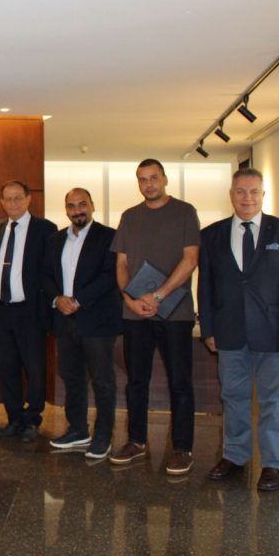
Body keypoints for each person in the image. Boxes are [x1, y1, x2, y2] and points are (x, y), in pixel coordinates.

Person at [199, 168, 279, 492]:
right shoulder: (212, 235)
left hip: (275, 335)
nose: (247, 198)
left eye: (253, 192)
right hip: (229, 333)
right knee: (233, 397)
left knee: (273, 400)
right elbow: (205, 287)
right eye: (240, 191)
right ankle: (235, 456)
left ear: (263, 195)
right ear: (231, 195)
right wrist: (208, 329)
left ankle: (272, 464)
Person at [109, 159, 201, 476]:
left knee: (180, 382)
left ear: (164, 179)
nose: (148, 184)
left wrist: (158, 295)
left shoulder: (185, 212)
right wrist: (130, 300)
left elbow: (191, 260)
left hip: (175, 313)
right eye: (142, 179)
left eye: (153, 178)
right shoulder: (129, 217)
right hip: (135, 314)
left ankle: (182, 449)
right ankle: (136, 441)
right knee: (136, 382)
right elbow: (121, 264)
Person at [42, 188, 121, 459]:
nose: (78, 210)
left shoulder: (109, 236)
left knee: (102, 381)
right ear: (66, 209)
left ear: (92, 206)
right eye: (72, 206)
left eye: (82, 204)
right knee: (72, 377)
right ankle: (78, 430)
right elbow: (45, 275)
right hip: (64, 321)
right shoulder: (55, 240)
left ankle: (103, 436)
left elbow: (110, 275)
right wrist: (57, 299)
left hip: (97, 321)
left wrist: (78, 300)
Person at [0, 180, 58, 442]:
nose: (13, 203)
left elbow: (50, 271)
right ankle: (14, 418)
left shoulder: (45, 229)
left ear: (29, 199)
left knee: (34, 369)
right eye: (8, 199)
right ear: (2, 202)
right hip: (2, 309)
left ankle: (33, 419)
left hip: (31, 311)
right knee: (7, 368)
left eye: (18, 198)